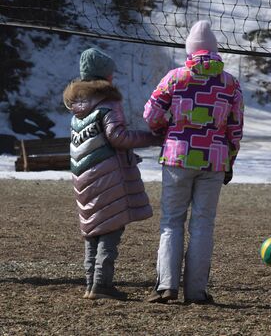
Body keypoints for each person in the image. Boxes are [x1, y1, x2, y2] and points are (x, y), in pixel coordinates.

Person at [144, 21, 244, 304]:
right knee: (203, 225)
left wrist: (168, 129)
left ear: (189, 50)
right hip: (214, 160)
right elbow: (235, 129)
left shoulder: (175, 78)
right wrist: (229, 160)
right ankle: (197, 291)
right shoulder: (230, 83)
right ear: (214, 51)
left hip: (177, 156)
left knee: (171, 222)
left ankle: (166, 286)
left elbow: (151, 115)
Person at [64, 47, 160, 300]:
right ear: (105, 77)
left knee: (93, 230)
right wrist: (153, 138)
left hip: (83, 176)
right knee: (111, 229)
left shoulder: (78, 106)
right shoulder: (108, 102)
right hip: (107, 176)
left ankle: (90, 284)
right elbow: (117, 137)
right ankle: (102, 285)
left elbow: (93, 142)